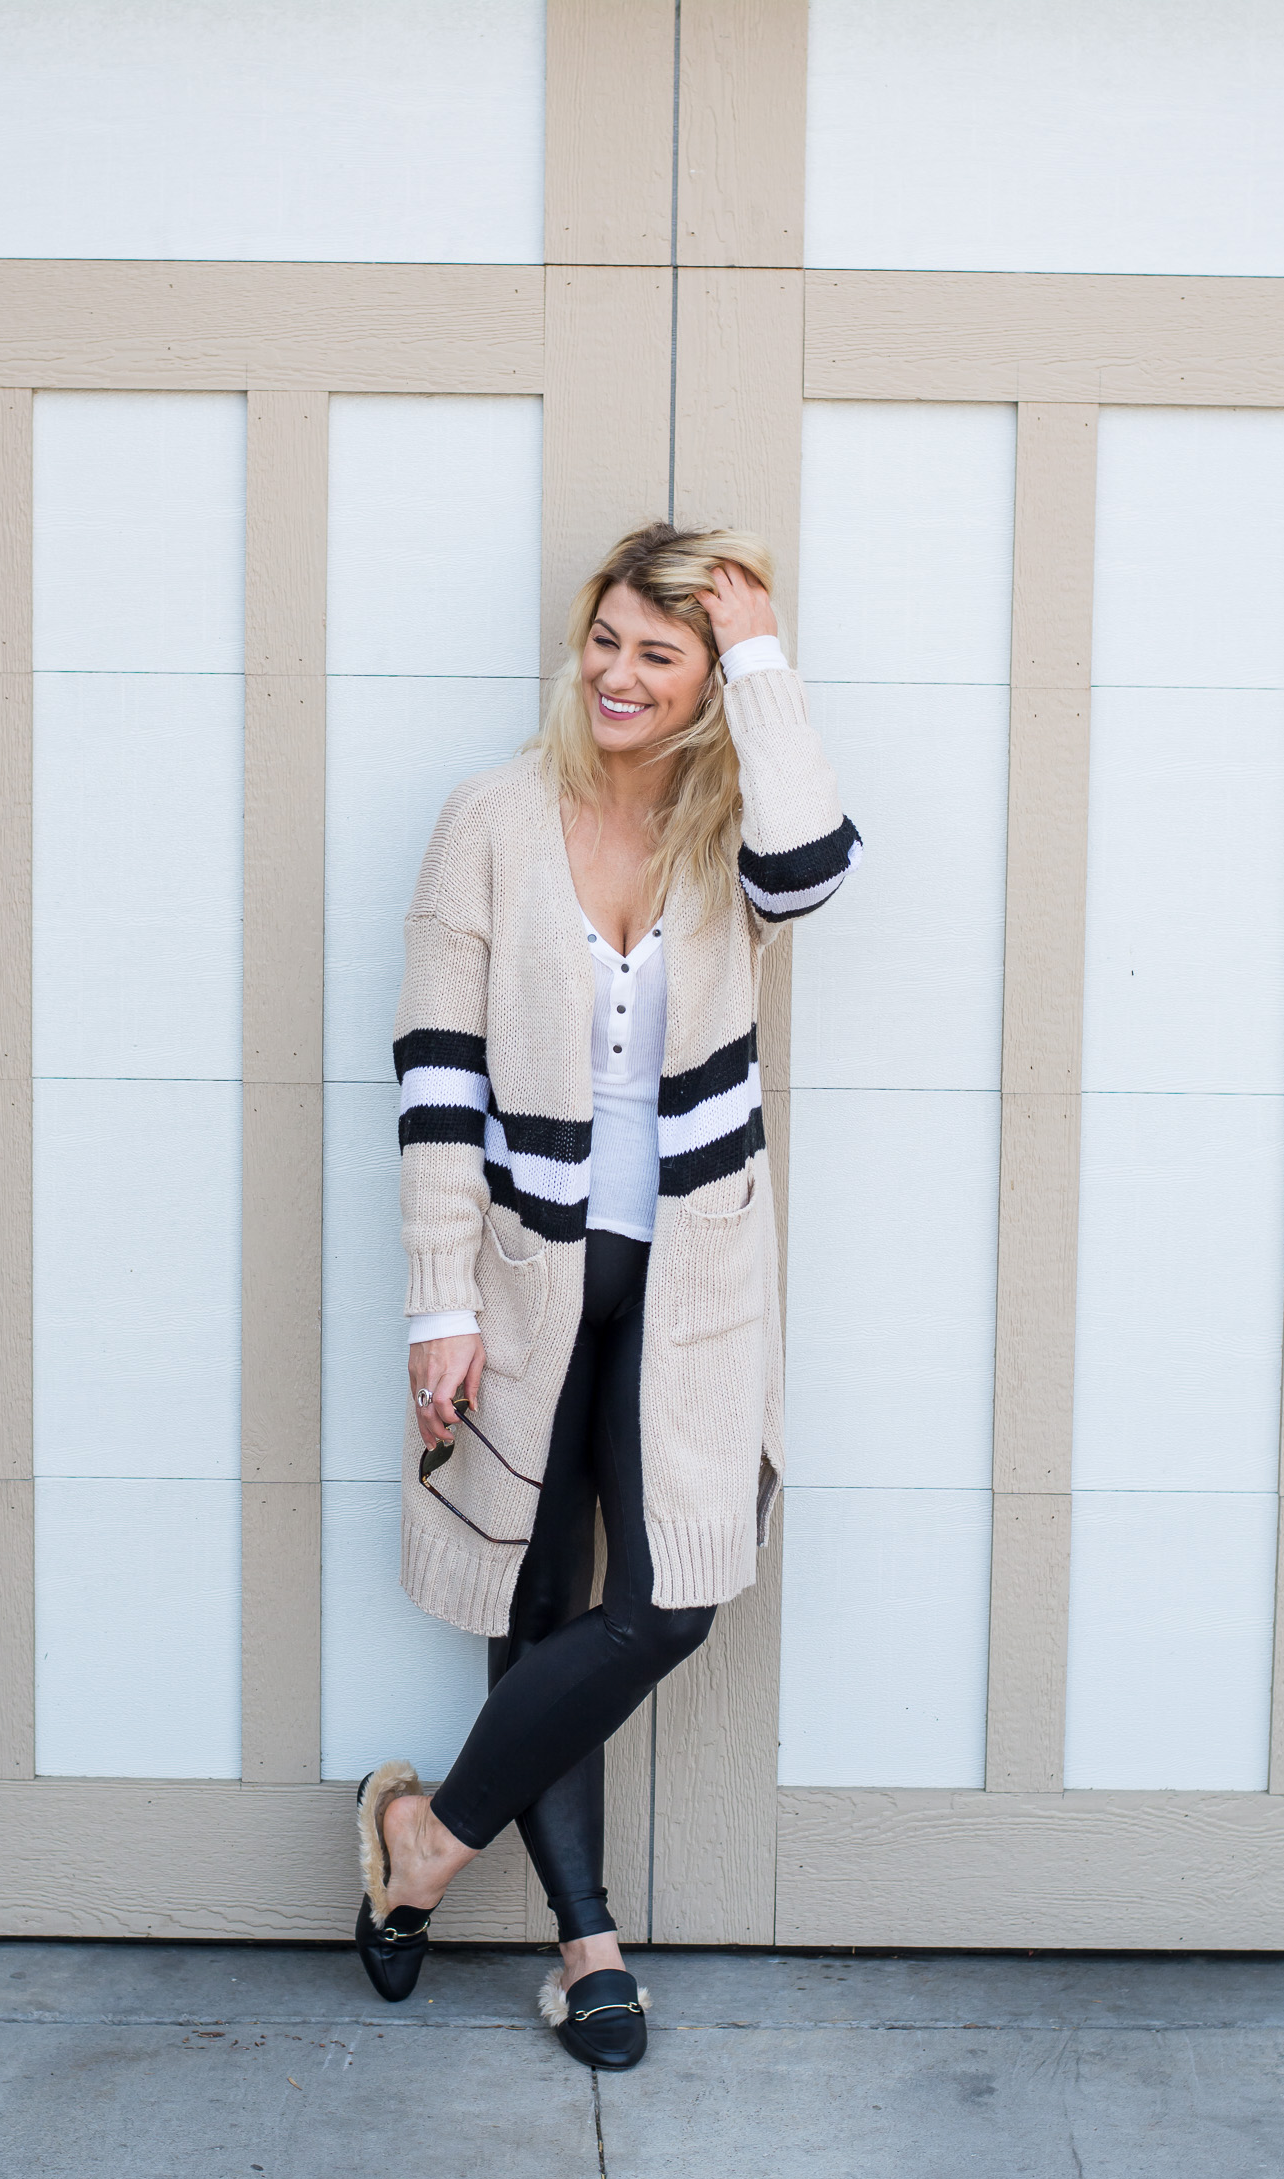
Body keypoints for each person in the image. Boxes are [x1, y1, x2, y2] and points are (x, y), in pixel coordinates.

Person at [354, 522, 858, 2070]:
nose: (622, 676)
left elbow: (817, 864)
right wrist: (442, 1304)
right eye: (608, 642)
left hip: (698, 1266)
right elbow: (438, 1081)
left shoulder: (727, 822)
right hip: (526, 1267)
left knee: (669, 1598)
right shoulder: (491, 818)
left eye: (664, 650)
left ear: (707, 676)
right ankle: (587, 1946)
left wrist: (764, 660)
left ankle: (422, 1837)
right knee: (535, 1594)